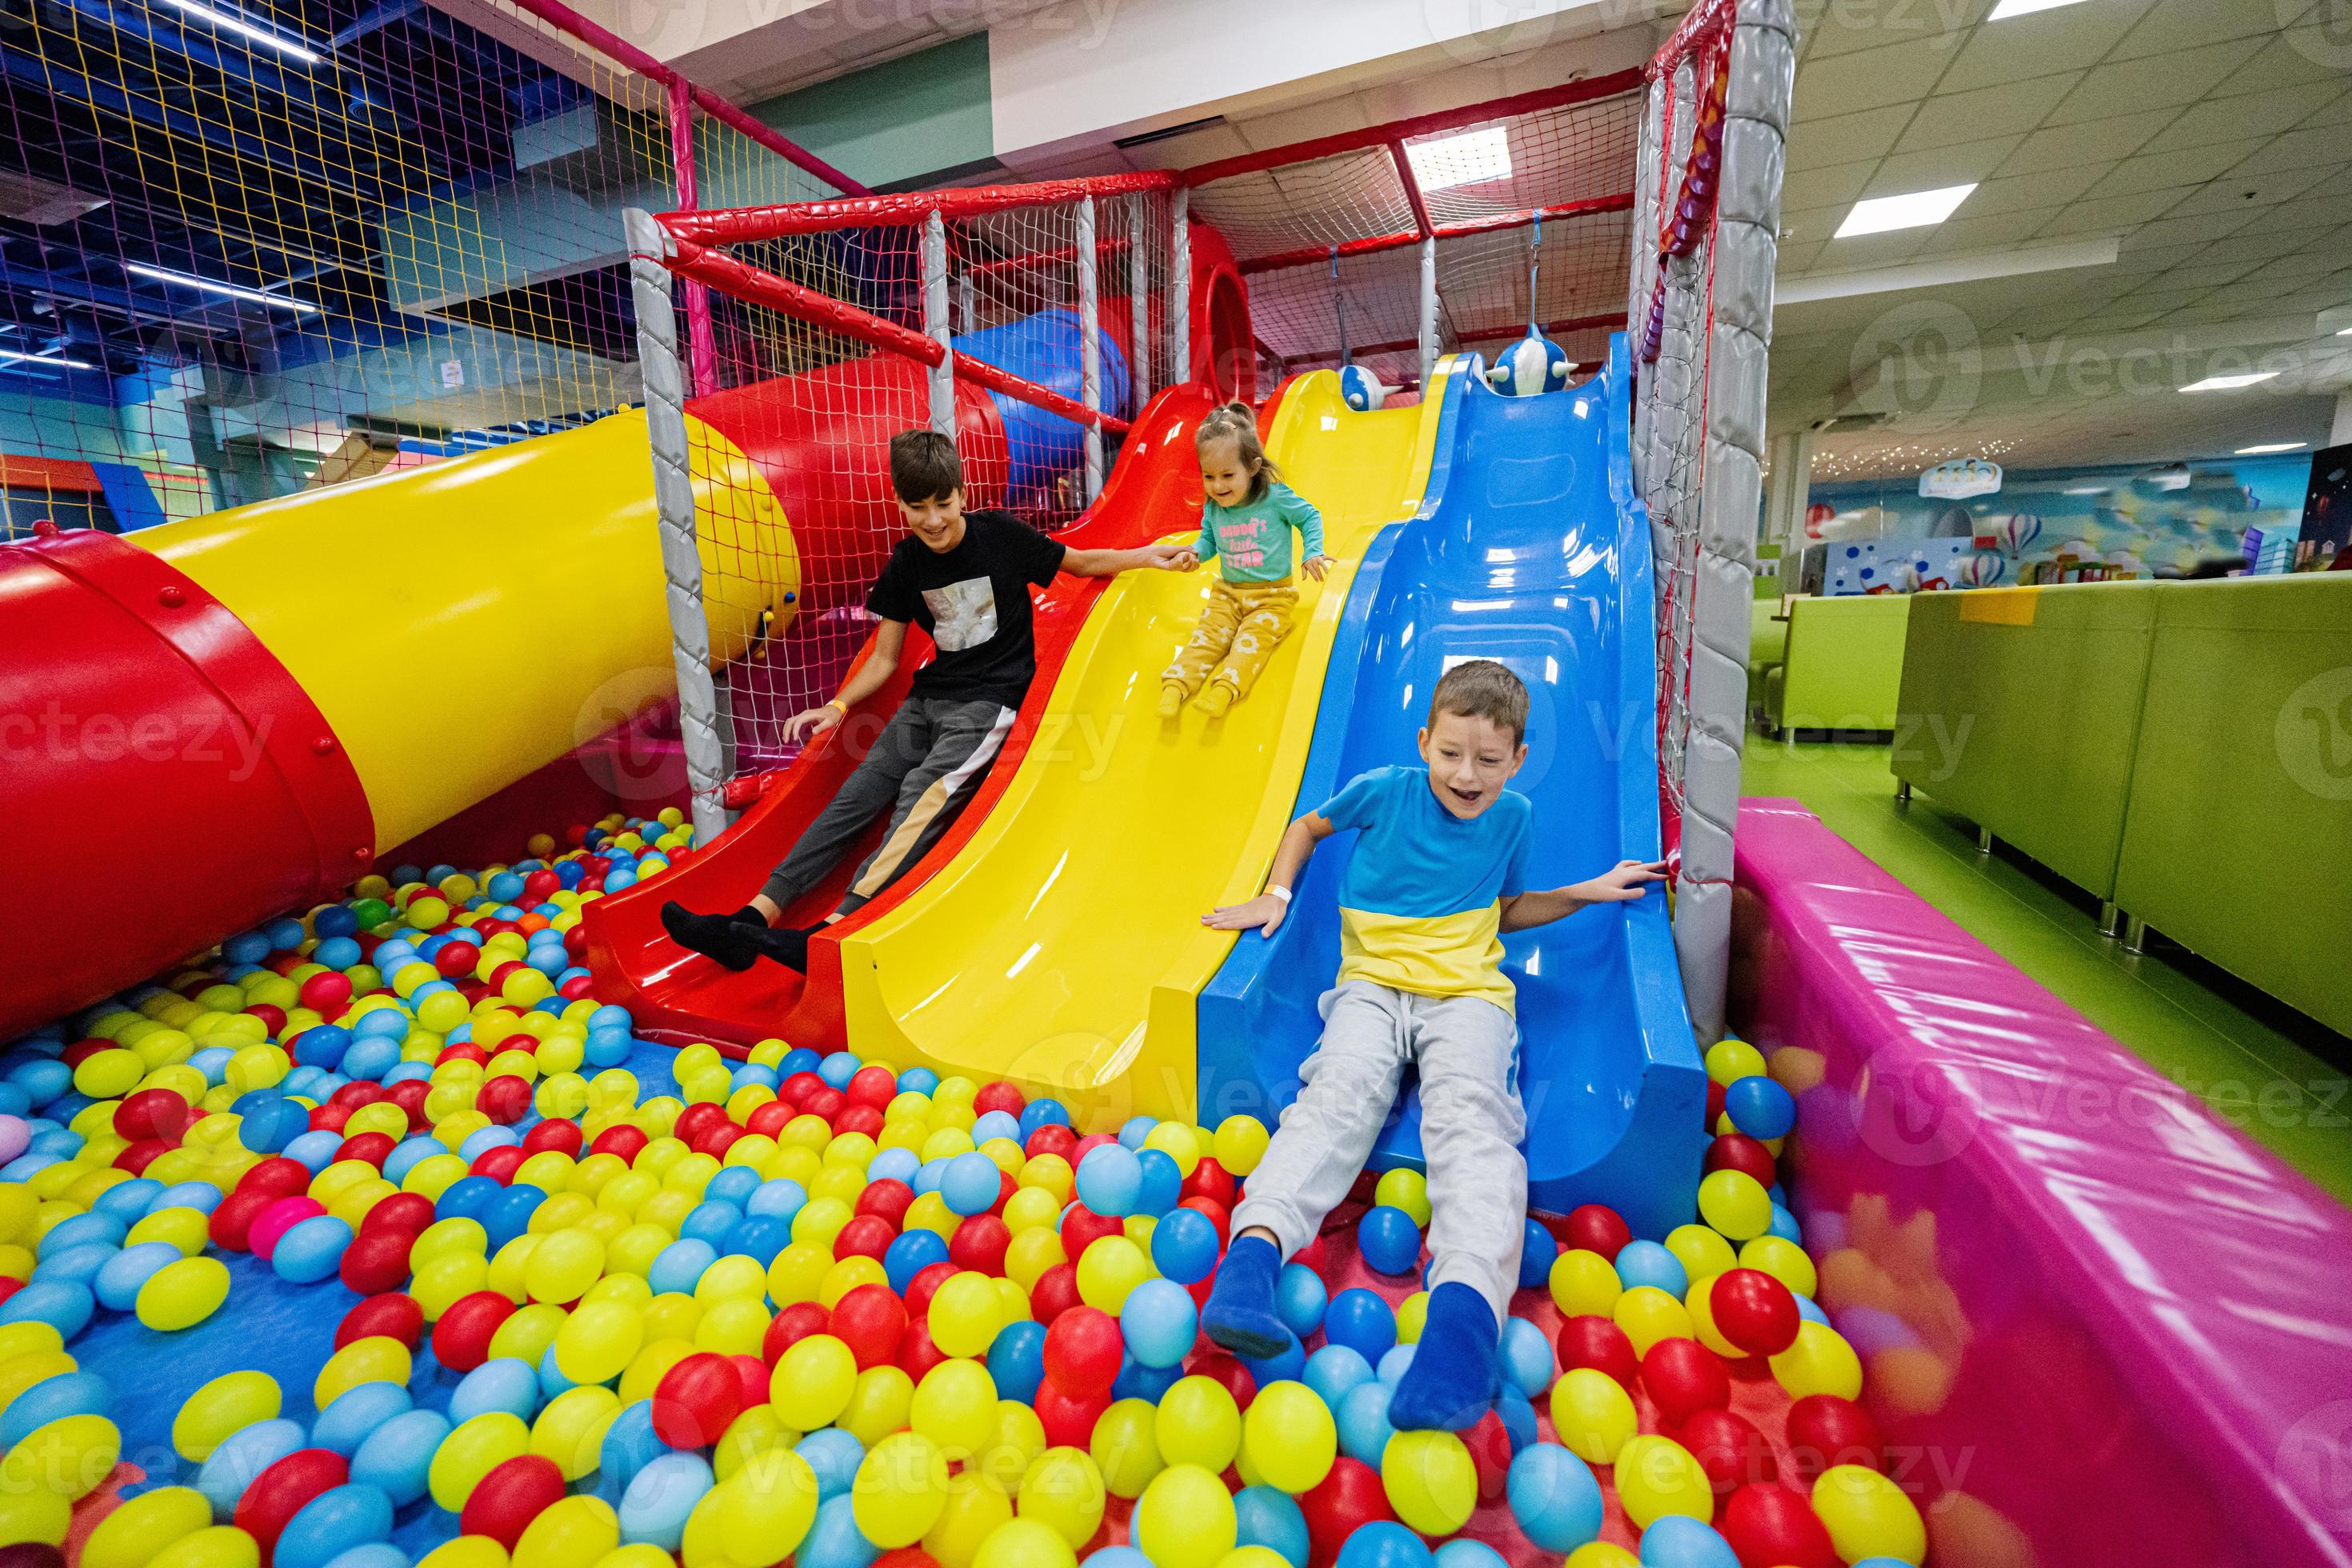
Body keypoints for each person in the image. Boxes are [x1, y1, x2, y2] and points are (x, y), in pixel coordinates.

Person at [1194, 658, 1666, 1430]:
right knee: (1335, 1099)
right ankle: (1250, 1263)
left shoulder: (1514, 818)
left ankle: (1462, 1326)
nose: (1466, 775)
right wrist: (1275, 894)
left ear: (1519, 759)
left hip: (1467, 995)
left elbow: (1501, 908)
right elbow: (1308, 827)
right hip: (1372, 988)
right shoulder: (1386, 790)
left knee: (1474, 1120)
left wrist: (1583, 891)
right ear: (1424, 743)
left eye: (1489, 759)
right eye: (1450, 753)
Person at [661, 429, 1190, 972]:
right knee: (854, 797)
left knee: (922, 796)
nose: (933, 520)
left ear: (962, 494)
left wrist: (1147, 556)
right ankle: (753, 918)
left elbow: (1076, 563)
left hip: (989, 704)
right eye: (918, 507)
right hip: (926, 700)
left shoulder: (999, 536)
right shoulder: (908, 563)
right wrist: (837, 706)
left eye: (943, 503)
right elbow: (885, 658)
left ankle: (832, 931)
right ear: (900, 503)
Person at [1158, 402, 1331, 719]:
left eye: (1228, 475)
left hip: (1272, 598)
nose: (1218, 486)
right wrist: (1194, 554)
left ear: (1252, 467)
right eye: (1209, 476)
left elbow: (1309, 517)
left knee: (1251, 643)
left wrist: (1312, 552)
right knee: (1207, 637)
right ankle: (1176, 686)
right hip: (1228, 594)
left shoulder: (1274, 498)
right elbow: (1209, 541)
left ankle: (1224, 690)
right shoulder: (1214, 507)